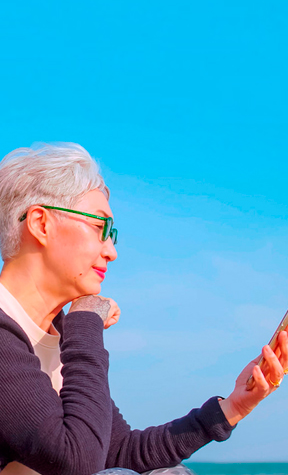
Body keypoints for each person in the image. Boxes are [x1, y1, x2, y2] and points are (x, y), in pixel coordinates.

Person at [0, 142, 286, 475]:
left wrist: (232, 407)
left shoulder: (58, 338)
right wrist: (85, 320)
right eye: (100, 227)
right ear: (41, 224)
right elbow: (77, 460)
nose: (111, 251)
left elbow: (120, 450)